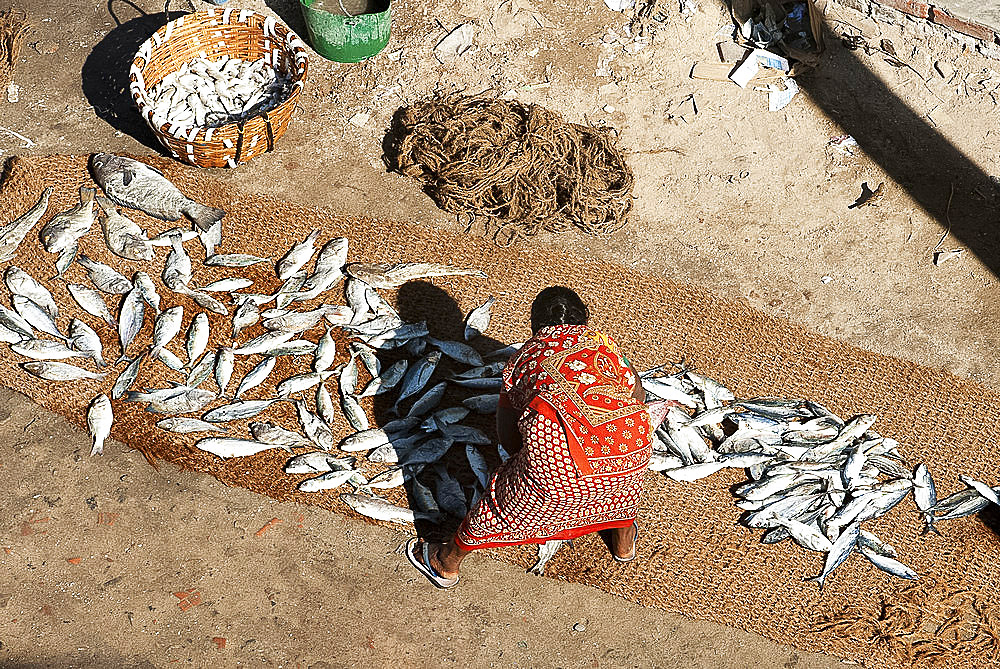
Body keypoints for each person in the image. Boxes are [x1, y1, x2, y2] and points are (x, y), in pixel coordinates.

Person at [406, 286, 652, 588]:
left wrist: (525, 464)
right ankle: (623, 546)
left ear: (535, 325)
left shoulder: (523, 357)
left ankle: (445, 561)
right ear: (583, 319)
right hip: (633, 450)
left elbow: (507, 435)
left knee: (499, 503)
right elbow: (638, 394)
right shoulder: (605, 345)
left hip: (560, 472)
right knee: (622, 491)